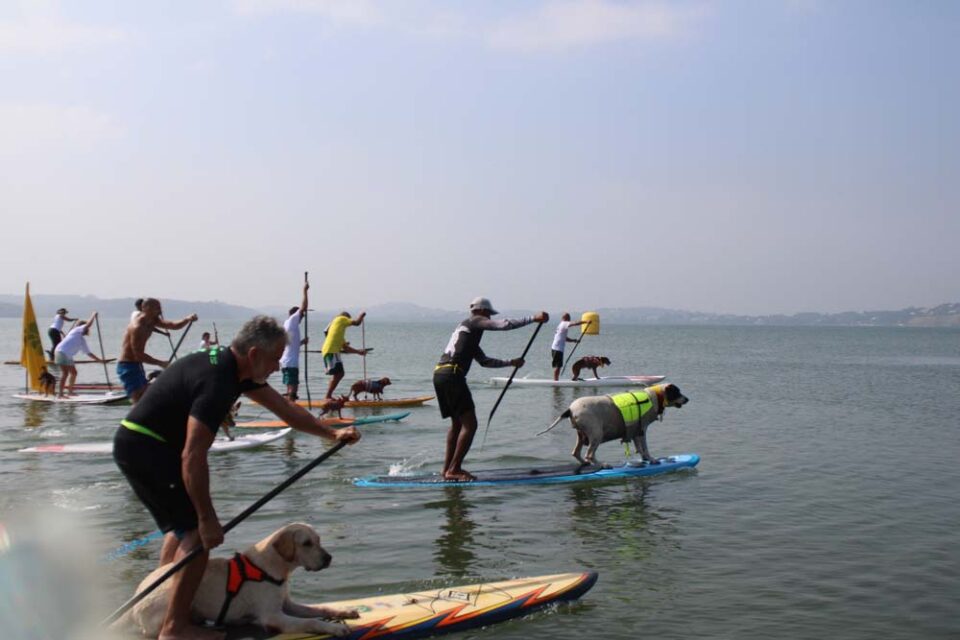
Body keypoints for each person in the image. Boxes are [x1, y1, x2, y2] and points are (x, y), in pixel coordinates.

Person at [112, 315, 360, 640]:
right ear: (255, 354)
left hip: (144, 445)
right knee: (196, 536)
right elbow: (193, 455)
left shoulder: (234, 369)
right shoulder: (217, 382)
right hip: (147, 447)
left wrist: (333, 434)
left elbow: (287, 411)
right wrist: (207, 518)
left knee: (181, 532)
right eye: (274, 360)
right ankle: (174, 628)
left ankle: (166, 611)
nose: (277, 367)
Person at [433, 297, 548, 481]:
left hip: (440, 375)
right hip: (453, 376)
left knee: (457, 424)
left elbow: (484, 362)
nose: (488, 317)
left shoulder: (466, 332)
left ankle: (447, 469)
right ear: (480, 311)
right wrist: (533, 318)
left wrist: (511, 363)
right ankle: (454, 469)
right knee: (471, 425)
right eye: (487, 313)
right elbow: (503, 325)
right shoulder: (475, 321)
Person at [118, 298, 197, 404]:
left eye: (160, 308)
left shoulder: (153, 320)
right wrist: (161, 363)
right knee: (138, 402)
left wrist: (187, 319)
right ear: (146, 309)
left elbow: (173, 325)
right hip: (127, 366)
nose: (160, 311)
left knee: (144, 400)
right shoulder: (137, 327)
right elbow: (138, 355)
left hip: (137, 365)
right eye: (157, 308)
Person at [53, 312, 106, 397]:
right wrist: (93, 315)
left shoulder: (82, 340)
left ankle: (70, 392)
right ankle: (60, 394)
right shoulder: (76, 330)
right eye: (86, 328)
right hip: (61, 351)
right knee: (65, 373)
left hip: (67, 355)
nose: (88, 330)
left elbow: (89, 353)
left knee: (74, 373)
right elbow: (88, 325)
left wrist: (100, 361)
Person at [321, 310, 370, 399]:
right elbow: (357, 323)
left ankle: (328, 396)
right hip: (331, 350)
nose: (348, 325)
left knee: (339, 374)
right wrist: (362, 315)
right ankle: (327, 396)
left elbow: (346, 348)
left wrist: (359, 352)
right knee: (339, 374)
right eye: (348, 321)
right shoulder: (341, 318)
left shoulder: (339, 334)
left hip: (332, 351)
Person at [279, 282, 309, 400]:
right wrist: (305, 291)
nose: (302, 318)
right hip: (291, 363)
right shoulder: (293, 319)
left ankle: (288, 408)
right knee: (293, 389)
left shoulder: (287, 324)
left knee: (289, 389)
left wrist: (301, 342)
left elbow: (289, 345)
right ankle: (292, 412)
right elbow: (304, 307)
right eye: (302, 316)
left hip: (285, 362)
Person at [550, 313, 588, 381]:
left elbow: (564, 338)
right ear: (566, 318)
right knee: (558, 366)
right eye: (569, 318)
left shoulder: (561, 325)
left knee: (558, 366)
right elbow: (575, 323)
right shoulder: (564, 323)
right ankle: (555, 382)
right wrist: (585, 322)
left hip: (555, 348)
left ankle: (556, 381)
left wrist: (574, 340)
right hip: (558, 349)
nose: (570, 320)